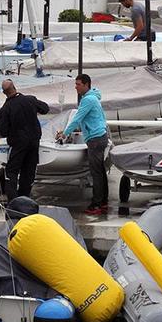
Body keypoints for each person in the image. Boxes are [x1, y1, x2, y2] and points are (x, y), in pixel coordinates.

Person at [55, 74, 109, 216]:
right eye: (76, 84)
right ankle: (103, 202)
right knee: (100, 172)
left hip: (95, 139)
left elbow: (77, 118)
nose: (76, 87)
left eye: (78, 84)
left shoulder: (88, 100)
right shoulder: (93, 98)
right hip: (100, 135)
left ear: (86, 85)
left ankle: (96, 204)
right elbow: (95, 118)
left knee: (96, 173)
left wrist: (65, 133)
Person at [0, 79, 50, 199]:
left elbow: (3, 131)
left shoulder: (6, 108)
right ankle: (24, 198)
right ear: (15, 87)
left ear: (4, 93)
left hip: (18, 143)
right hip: (34, 141)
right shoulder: (30, 100)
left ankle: (13, 200)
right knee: (29, 171)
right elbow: (45, 109)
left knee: (11, 171)